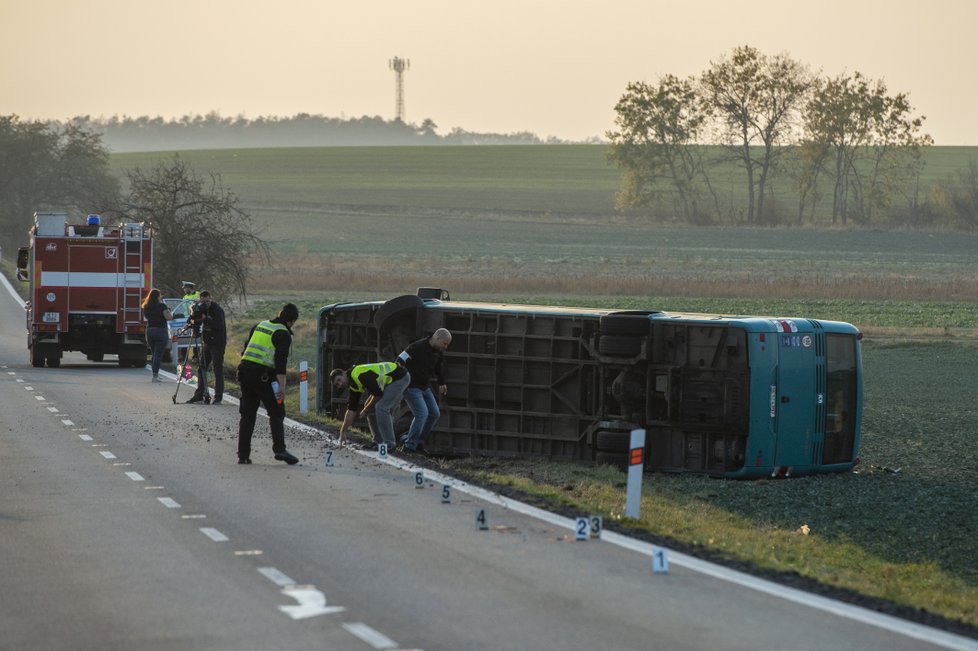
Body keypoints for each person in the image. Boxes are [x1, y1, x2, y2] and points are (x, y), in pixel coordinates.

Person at [236, 303, 300, 465]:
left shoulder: (260, 325)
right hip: (264, 377)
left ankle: (243, 455)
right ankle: (279, 449)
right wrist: (282, 389)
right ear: (292, 321)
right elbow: (280, 364)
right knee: (277, 412)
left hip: (245, 373)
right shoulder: (283, 334)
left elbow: (245, 350)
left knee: (248, 414)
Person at [329, 362, 410, 449]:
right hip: (390, 381)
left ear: (344, 373)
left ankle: (389, 444)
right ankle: (379, 442)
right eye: (337, 384)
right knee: (370, 406)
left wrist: (365, 410)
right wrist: (343, 431)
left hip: (400, 377)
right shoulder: (354, 385)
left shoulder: (358, 374)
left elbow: (378, 394)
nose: (340, 384)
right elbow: (351, 410)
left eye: (339, 380)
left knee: (381, 407)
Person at [397, 328, 451, 453]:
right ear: (437, 338)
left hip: (424, 387)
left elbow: (438, 367)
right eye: (445, 343)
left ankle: (418, 442)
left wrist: (442, 383)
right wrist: (402, 379)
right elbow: (399, 360)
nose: (446, 346)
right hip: (411, 387)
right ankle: (409, 446)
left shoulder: (438, 351)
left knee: (434, 413)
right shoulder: (416, 347)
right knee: (422, 414)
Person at [186, 291, 226, 404]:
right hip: (207, 342)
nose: (205, 304)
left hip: (218, 343)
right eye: (203, 301)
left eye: (207, 301)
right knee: (201, 367)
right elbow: (192, 319)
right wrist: (191, 321)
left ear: (211, 299)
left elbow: (219, 326)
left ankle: (218, 397)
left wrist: (206, 319)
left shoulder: (217, 310)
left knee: (217, 369)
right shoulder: (201, 308)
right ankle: (199, 394)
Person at [141, 288, 172, 383]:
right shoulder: (162, 306)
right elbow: (168, 317)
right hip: (160, 331)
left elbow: (146, 318)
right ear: (158, 296)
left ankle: (155, 374)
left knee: (154, 354)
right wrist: (169, 312)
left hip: (150, 330)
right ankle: (155, 376)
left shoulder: (146, 306)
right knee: (158, 355)